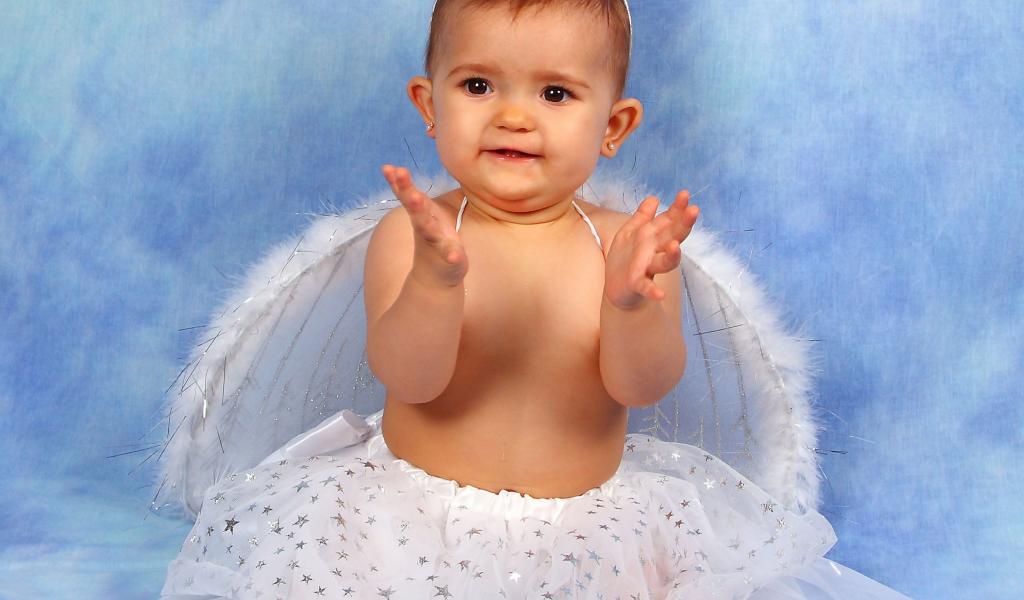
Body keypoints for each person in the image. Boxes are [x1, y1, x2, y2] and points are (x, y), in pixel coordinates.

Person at [160, 1, 912, 598]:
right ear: (429, 103)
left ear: (612, 125)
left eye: (555, 93)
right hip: (410, 518)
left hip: (589, 529)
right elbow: (409, 377)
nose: (513, 116)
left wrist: (629, 307)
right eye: (478, 86)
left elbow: (642, 385)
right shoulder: (414, 235)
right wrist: (433, 285)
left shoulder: (627, 246)